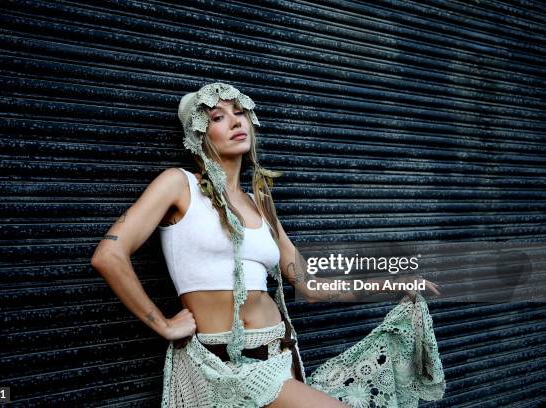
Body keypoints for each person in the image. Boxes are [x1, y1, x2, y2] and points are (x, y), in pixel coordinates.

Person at [91, 82, 446, 408]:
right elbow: (109, 255)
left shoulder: (260, 204)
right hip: (224, 366)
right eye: (218, 116)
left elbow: (310, 286)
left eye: (239, 112)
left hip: (280, 359)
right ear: (199, 133)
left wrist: (390, 285)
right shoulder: (178, 184)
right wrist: (163, 324)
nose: (234, 122)